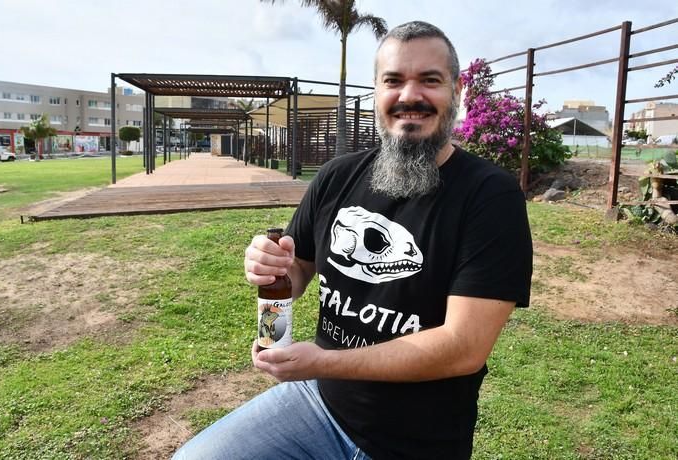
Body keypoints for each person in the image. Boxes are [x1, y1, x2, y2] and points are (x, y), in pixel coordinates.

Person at [173, 20, 532, 460]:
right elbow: (298, 267)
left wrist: (321, 363)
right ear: (378, 93)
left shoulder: (489, 196)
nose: (409, 96)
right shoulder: (338, 176)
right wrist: (271, 268)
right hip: (319, 404)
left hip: (414, 441)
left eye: (430, 80)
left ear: (457, 92)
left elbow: (463, 349)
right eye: (394, 81)